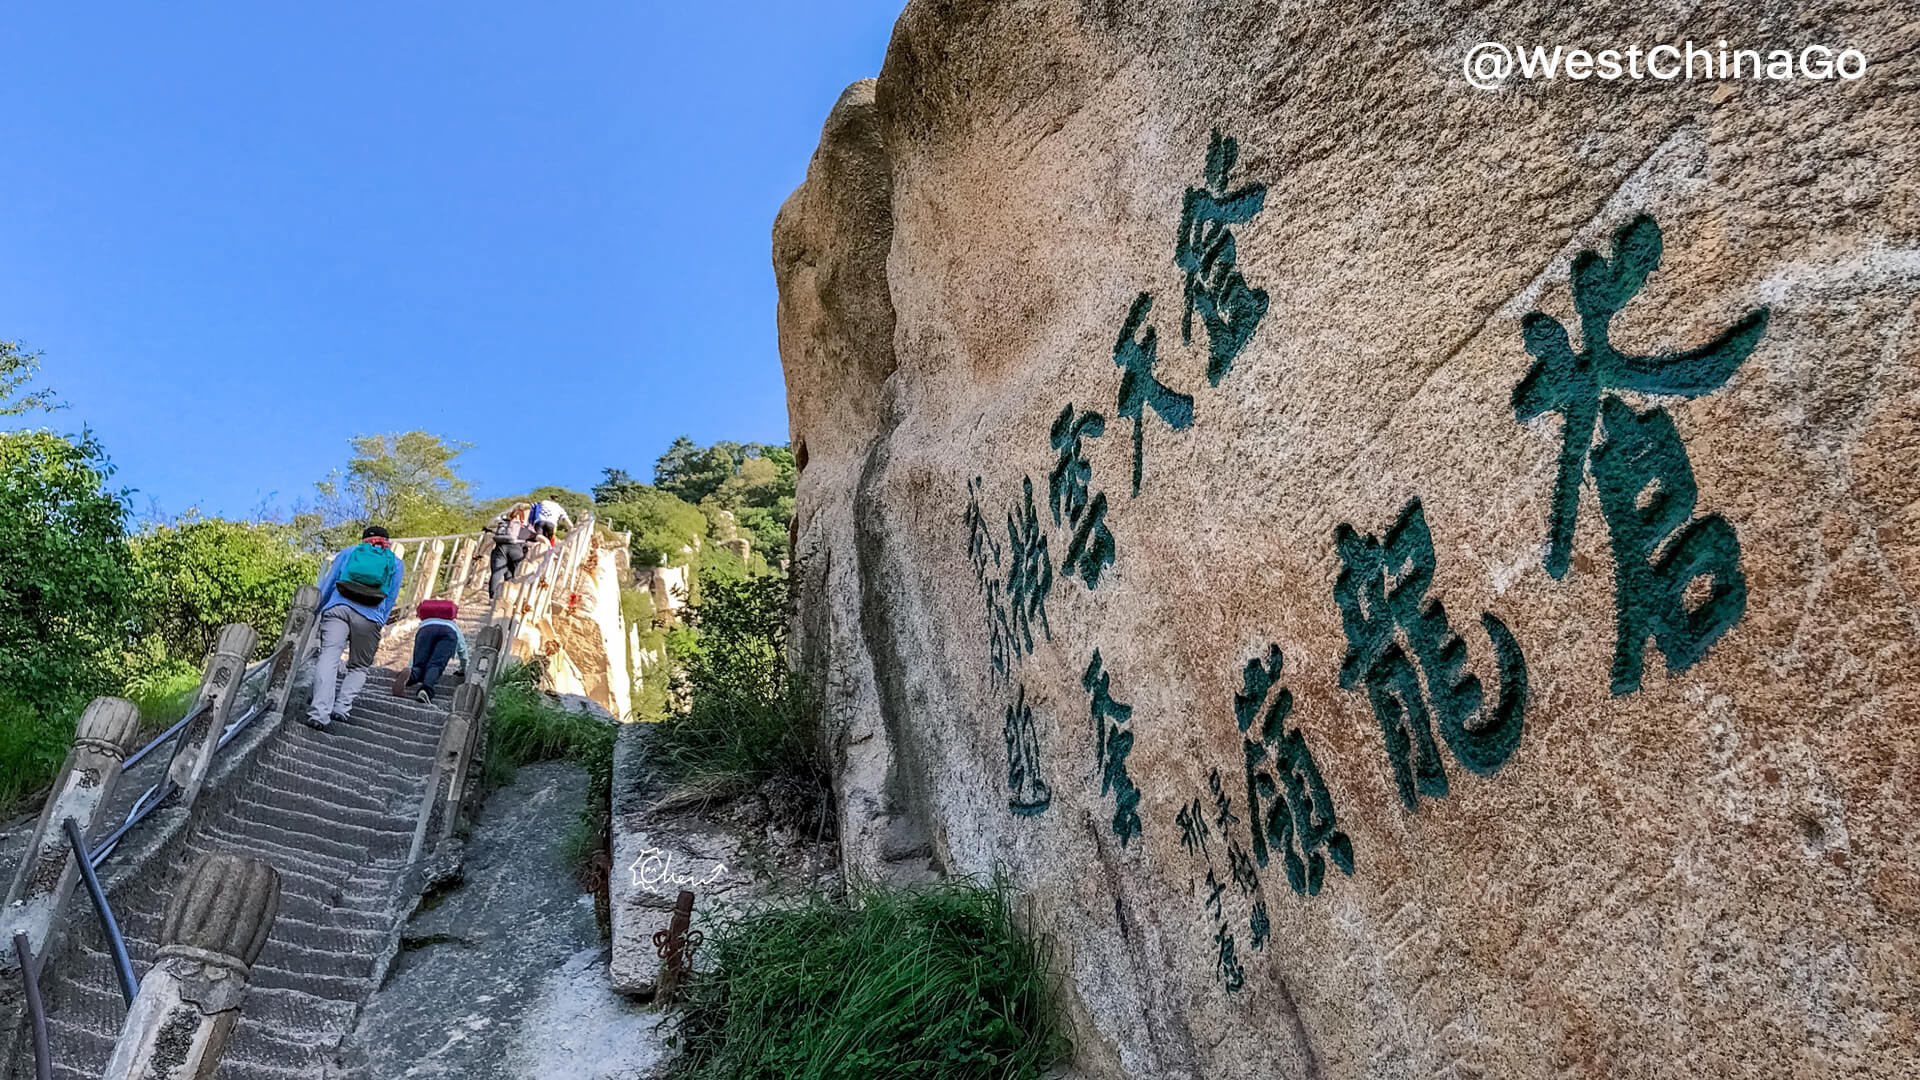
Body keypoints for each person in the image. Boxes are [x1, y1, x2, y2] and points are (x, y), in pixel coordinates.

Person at [309, 525, 405, 730]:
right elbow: (391, 597)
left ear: (364, 540)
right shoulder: (395, 562)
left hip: (338, 608)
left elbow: (330, 582)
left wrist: (317, 610)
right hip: (370, 616)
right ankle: (341, 709)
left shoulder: (349, 552)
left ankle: (319, 713)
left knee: (329, 656)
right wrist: (380, 620)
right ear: (387, 542)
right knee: (359, 666)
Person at [405, 598, 468, 703]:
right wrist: (463, 669)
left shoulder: (425, 622)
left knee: (419, 664)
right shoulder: (453, 625)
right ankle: (425, 690)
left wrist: (410, 667)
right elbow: (462, 649)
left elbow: (416, 654)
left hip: (425, 631)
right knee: (435, 665)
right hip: (448, 633)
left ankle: (410, 676)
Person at [486, 503, 536, 600]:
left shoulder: (503, 525)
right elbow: (536, 537)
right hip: (516, 550)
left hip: (500, 549)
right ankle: (509, 597)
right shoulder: (524, 528)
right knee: (515, 574)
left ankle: (492, 598)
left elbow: (493, 538)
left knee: (497, 573)